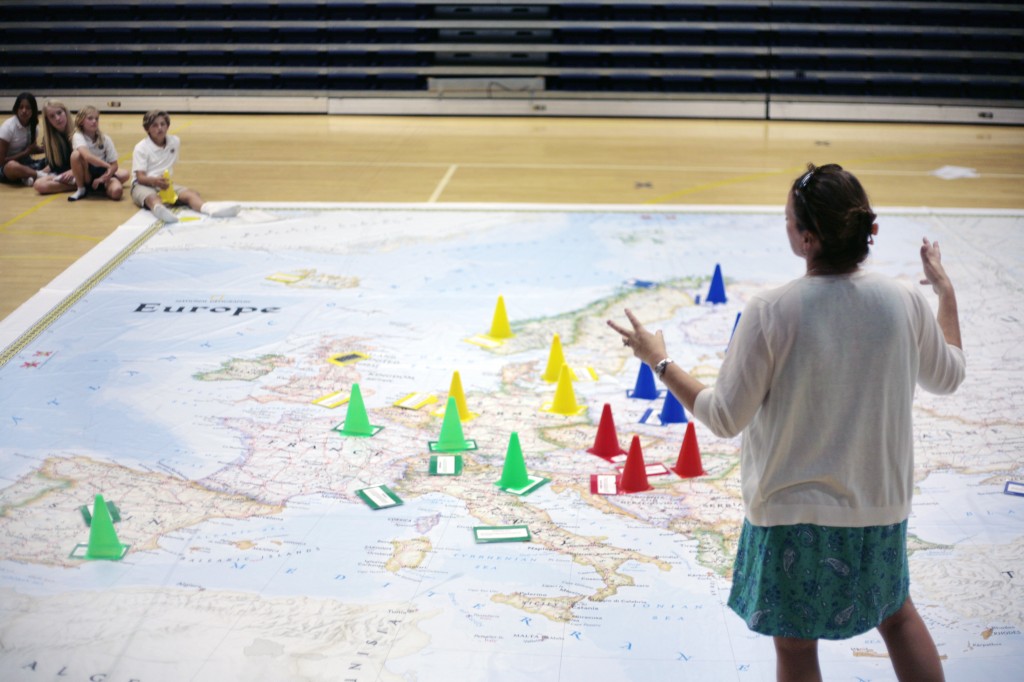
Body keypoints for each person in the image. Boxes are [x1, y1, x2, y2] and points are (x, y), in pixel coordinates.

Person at [609, 163, 964, 682]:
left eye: (787, 221)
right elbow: (949, 376)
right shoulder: (906, 300)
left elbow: (725, 417)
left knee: (796, 652)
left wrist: (659, 362)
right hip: (879, 507)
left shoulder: (772, 310)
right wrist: (945, 292)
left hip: (791, 515)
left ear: (807, 239)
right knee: (898, 617)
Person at [130, 109, 240, 223]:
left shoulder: (174, 141)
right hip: (142, 185)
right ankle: (160, 211)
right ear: (147, 129)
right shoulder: (141, 148)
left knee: (191, 194)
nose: (160, 128)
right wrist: (155, 181)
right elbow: (140, 177)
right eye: (155, 125)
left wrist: (163, 184)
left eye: (163, 124)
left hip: (165, 183)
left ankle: (210, 209)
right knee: (152, 198)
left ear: (167, 126)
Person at [68, 105, 129, 202]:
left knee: (117, 192)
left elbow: (114, 165)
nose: (94, 121)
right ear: (81, 121)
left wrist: (105, 177)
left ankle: (101, 187)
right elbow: (87, 156)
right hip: (87, 172)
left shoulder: (105, 138)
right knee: (75, 155)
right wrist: (107, 165)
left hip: (102, 172)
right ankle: (81, 189)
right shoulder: (78, 136)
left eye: (96, 119)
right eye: (90, 118)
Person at [33, 100, 78, 195]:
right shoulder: (49, 140)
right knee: (38, 185)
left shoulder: (79, 132)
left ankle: (81, 184)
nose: (57, 118)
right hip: (64, 174)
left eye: (59, 113)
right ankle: (79, 185)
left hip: (83, 171)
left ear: (65, 112)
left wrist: (73, 171)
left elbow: (90, 161)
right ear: (48, 121)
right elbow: (55, 165)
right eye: (52, 116)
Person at [0, 92, 44, 187]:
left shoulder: (34, 127)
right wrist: (26, 153)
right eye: (21, 107)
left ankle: (25, 176)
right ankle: (40, 175)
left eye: (28, 108)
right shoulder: (8, 127)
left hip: (25, 163)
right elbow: (1, 161)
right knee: (12, 166)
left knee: (52, 160)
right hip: (5, 166)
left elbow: (32, 149)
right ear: (16, 109)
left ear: (33, 110)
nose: (24, 111)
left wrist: (46, 148)